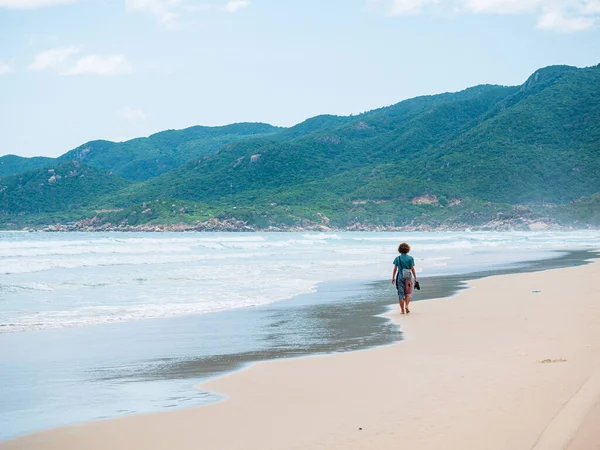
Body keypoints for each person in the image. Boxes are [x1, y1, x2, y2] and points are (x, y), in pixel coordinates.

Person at [392, 242, 417, 314]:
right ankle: (407, 306)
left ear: (399, 250)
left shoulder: (397, 258)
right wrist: (415, 278)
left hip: (400, 276)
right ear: (407, 249)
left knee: (400, 293)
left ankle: (402, 310)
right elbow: (412, 269)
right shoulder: (410, 258)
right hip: (408, 276)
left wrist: (393, 277)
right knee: (408, 292)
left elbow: (395, 269)